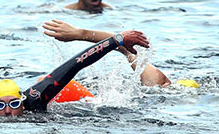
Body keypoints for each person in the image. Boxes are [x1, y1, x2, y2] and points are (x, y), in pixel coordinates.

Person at [0, 29, 149, 117]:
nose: (8, 112)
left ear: (22, 104)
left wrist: (116, 40)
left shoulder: (35, 99)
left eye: (14, 104)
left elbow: (76, 64)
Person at [42, 19, 175, 87]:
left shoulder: (159, 83)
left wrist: (80, 34)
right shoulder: (157, 82)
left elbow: (126, 50)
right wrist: (79, 34)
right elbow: (126, 50)